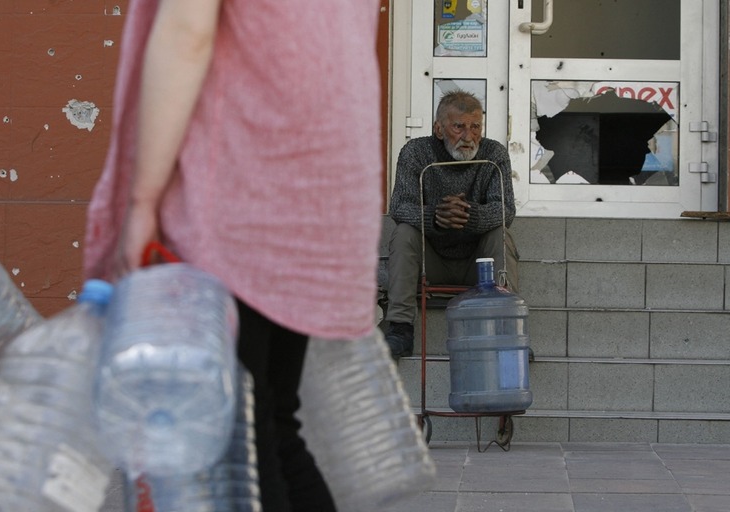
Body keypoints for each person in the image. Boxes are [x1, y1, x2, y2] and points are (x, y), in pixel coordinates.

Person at [82, 1, 383, 511]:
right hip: (315, 185)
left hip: (239, 185)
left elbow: (187, 31)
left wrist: (142, 201)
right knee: (271, 421)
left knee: (235, 437)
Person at [384, 90, 519, 359]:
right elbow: (399, 207)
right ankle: (399, 329)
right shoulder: (416, 152)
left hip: (478, 266)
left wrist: (469, 216)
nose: (468, 136)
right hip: (430, 262)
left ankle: (507, 333)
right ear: (438, 128)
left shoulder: (494, 154)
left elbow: (506, 209)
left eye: (475, 126)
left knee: (500, 233)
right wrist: (435, 216)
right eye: (459, 126)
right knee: (403, 233)